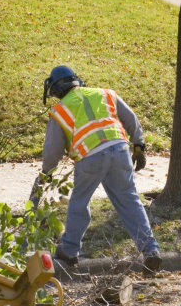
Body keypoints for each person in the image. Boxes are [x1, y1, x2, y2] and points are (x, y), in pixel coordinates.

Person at [35, 65, 161, 272]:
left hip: (90, 157)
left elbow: (52, 151)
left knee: (79, 203)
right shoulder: (105, 93)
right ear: (77, 81)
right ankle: (151, 251)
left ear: (55, 89)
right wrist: (138, 144)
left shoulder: (59, 110)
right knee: (130, 201)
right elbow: (131, 118)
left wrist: (47, 172)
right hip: (120, 150)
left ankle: (70, 250)